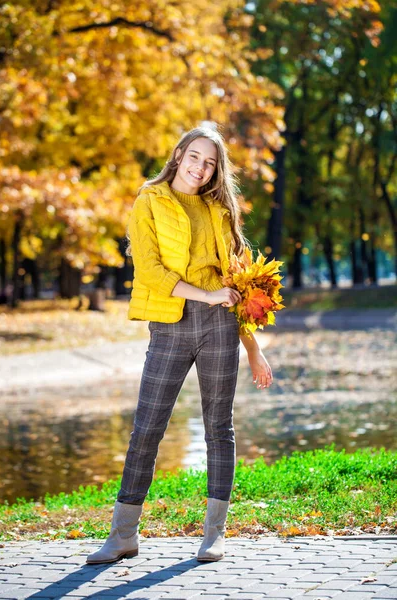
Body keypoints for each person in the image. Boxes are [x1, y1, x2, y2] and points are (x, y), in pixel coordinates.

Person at [86, 125, 273, 565]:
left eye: (210, 162)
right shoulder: (149, 201)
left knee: (218, 430)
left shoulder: (219, 210)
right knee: (146, 429)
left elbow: (234, 283)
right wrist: (205, 295)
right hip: (170, 323)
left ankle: (213, 536)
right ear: (179, 154)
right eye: (195, 157)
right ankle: (122, 535)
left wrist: (252, 347)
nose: (200, 168)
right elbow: (149, 270)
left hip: (220, 326)